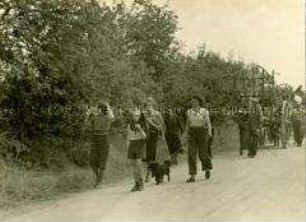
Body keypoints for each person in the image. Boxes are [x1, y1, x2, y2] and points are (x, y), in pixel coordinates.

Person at [184, 95, 212, 182]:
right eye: (192, 102)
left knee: (203, 153)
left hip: (202, 132)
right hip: (192, 133)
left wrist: (209, 132)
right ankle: (192, 175)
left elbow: (208, 123)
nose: (193, 103)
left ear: (199, 102)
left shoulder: (204, 111)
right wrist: (185, 133)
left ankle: (207, 168)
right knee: (191, 153)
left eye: (195, 101)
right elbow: (187, 124)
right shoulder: (189, 112)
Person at [88, 101, 114, 188]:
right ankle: (99, 179)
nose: (97, 110)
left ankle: (99, 182)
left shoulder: (107, 117)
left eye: (99, 108)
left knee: (102, 162)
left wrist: (108, 106)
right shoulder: (94, 117)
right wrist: (89, 112)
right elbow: (87, 121)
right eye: (97, 108)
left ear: (103, 109)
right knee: (92, 161)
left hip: (104, 139)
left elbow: (112, 117)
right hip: (95, 138)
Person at [143, 97, 166, 182]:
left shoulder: (157, 113)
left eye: (150, 105)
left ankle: (155, 174)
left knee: (154, 154)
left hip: (155, 135)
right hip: (146, 136)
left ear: (153, 105)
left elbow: (162, 125)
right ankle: (148, 173)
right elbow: (143, 122)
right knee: (148, 155)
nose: (148, 107)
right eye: (147, 105)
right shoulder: (144, 114)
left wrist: (162, 134)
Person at [126, 108, 148, 192]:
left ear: (140, 115)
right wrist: (127, 146)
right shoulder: (129, 125)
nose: (136, 117)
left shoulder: (143, 124)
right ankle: (136, 183)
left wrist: (140, 129)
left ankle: (142, 183)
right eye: (135, 115)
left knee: (139, 164)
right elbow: (128, 136)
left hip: (140, 144)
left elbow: (145, 136)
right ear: (132, 115)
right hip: (132, 144)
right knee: (133, 166)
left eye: (138, 115)